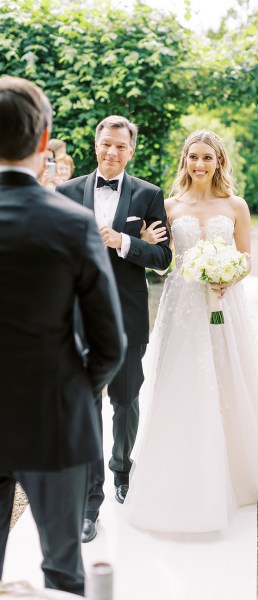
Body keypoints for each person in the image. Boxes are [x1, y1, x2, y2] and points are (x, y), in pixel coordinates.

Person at [122, 130, 258, 533]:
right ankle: (185, 461)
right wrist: (143, 240)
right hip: (182, 306)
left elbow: (246, 259)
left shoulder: (236, 205)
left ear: (219, 162)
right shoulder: (169, 205)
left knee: (229, 374)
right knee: (183, 380)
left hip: (223, 304)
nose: (199, 164)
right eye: (193, 157)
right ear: (185, 160)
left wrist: (228, 276)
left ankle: (235, 461)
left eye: (207, 158)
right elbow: (161, 262)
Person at [0, 77, 126, 595]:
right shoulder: (72, 223)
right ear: (44, 137)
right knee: (62, 570)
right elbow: (110, 344)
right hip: (55, 417)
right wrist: (75, 388)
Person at [56, 115, 172, 542]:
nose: (112, 152)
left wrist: (124, 242)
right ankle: (90, 505)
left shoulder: (148, 195)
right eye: (106, 144)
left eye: (121, 146)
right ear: (95, 143)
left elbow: (162, 258)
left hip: (127, 316)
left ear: (131, 150)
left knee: (125, 399)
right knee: (86, 407)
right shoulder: (65, 192)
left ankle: (122, 471)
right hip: (77, 320)